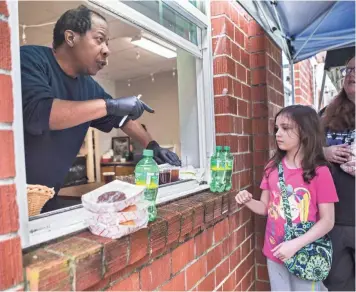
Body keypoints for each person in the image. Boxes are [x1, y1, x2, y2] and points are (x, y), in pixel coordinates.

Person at [20, 5, 181, 212]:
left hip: (48, 198)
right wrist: (110, 105)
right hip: (13, 198)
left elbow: (122, 120)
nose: (107, 49)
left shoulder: (89, 87)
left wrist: (152, 145)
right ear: (70, 38)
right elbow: (40, 113)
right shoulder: (31, 59)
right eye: (99, 39)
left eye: (108, 42)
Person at [235, 105, 338, 291]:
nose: (278, 134)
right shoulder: (272, 167)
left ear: (305, 131)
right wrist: (247, 200)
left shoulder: (320, 172)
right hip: (275, 252)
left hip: (306, 253)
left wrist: (294, 245)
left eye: (286, 128)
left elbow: (328, 220)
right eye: (276, 129)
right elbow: (265, 208)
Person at [320, 56, 355, 291]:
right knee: (337, 286)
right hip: (333, 219)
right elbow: (301, 150)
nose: (352, 73)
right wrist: (325, 151)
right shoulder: (326, 114)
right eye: (349, 68)